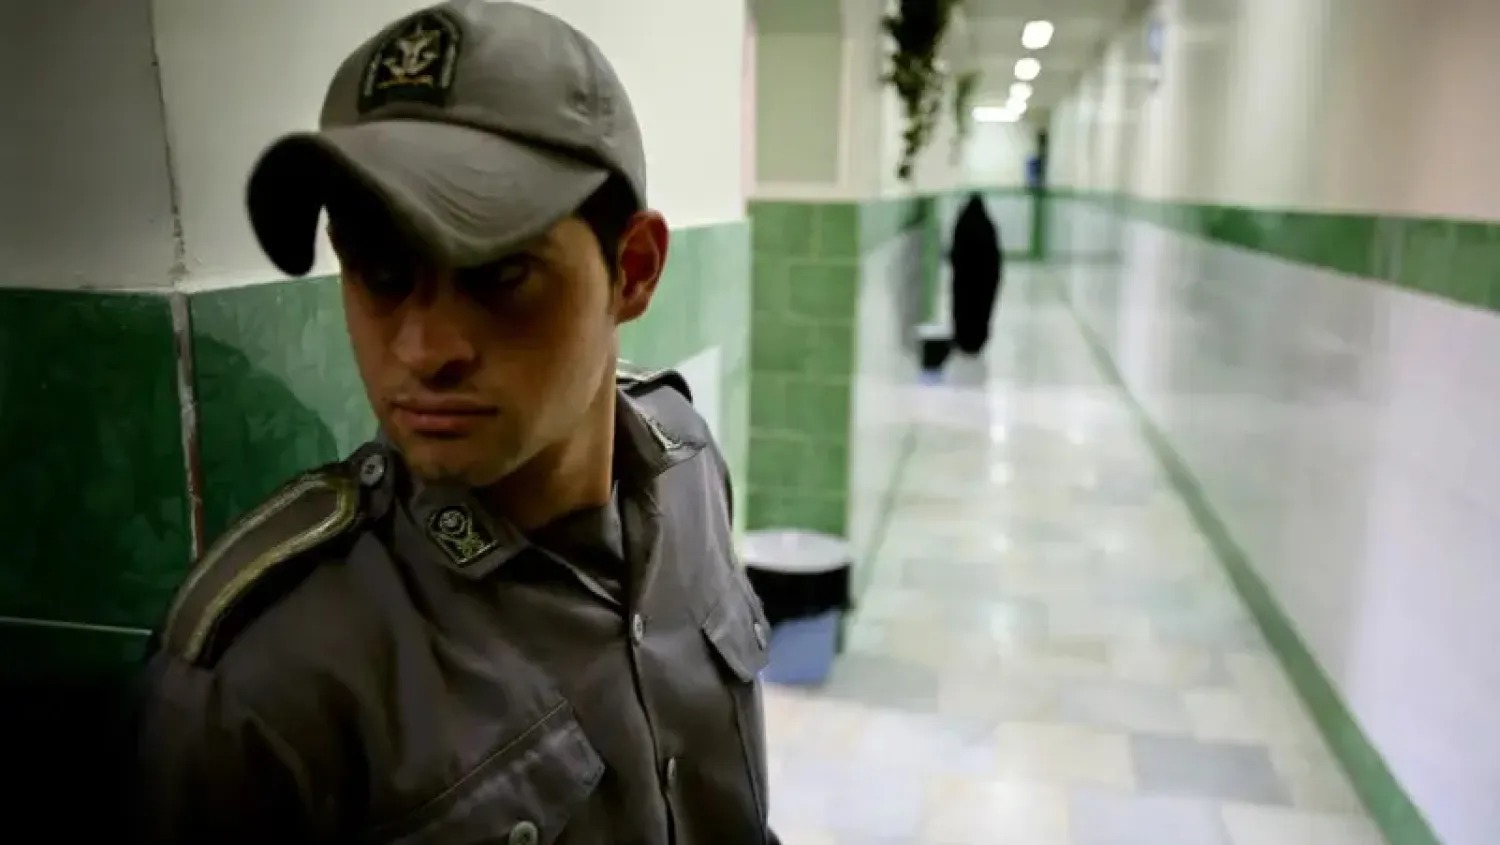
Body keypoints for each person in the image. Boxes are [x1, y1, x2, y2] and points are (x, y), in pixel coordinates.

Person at [131, 3, 779, 844]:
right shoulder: (263, 676)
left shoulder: (684, 461)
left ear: (634, 270)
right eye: (381, 272)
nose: (424, 348)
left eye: (500, 272)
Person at [948, 193, 1004, 356]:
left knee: (963, 309)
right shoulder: (988, 226)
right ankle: (977, 342)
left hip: (964, 281)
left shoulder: (962, 224)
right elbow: (995, 257)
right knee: (981, 312)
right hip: (984, 282)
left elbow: (955, 253)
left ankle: (963, 340)